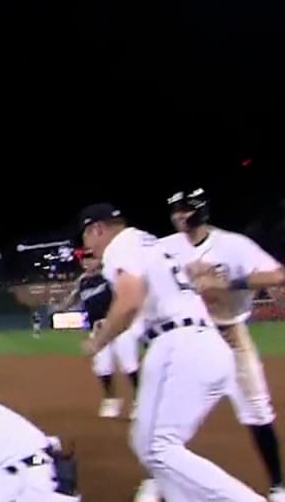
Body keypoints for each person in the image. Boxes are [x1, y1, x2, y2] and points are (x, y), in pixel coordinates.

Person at [77, 203, 263, 502]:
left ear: (97, 229)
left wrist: (99, 342)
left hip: (184, 345)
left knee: (162, 446)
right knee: (143, 441)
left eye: (86, 237)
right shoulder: (145, 240)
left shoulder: (119, 246)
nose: (87, 247)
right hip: (181, 342)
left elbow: (129, 300)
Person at [159, 189, 285, 501]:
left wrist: (229, 283)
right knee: (168, 420)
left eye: (185, 209)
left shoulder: (233, 245)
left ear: (200, 210)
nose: (179, 216)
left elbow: (277, 275)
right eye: (175, 210)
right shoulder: (165, 248)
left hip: (231, 335)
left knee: (256, 409)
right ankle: (160, 482)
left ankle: (278, 485)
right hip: (189, 338)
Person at [56, 249, 141, 419]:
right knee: (102, 366)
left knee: (129, 364)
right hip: (97, 327)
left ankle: (139, 401)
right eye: (84, 259)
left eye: (91, 258)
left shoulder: (109, 275)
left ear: (99, 260)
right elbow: (73, 298)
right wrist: (61, 307)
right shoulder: (82, 281)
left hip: (119, 325)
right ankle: (110, 400)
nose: (86, 262)